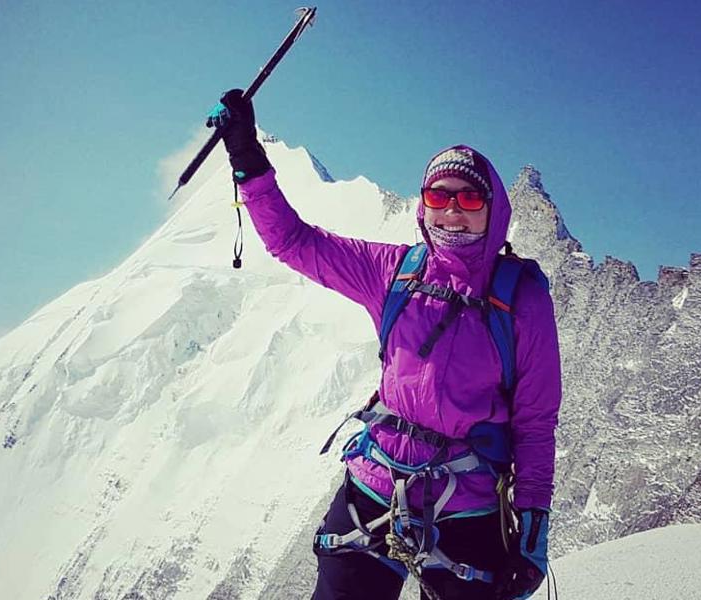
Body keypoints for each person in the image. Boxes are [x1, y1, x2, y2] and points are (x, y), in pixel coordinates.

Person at [207, 89, 561, 600]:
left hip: (469, 505)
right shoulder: (395, 271)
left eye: (469, 198)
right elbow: (293, 242)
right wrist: (246, 156)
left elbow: (534, 421)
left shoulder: (522, 297)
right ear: (423, 205)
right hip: (375, 483)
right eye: (439, 198)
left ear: (493, 208)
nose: (452, 212)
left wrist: (531, 529)